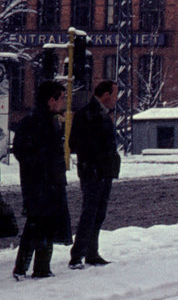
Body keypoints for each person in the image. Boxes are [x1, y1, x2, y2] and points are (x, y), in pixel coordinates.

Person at [12, 81, 71, 280]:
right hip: (41, 183)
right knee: (41, 224)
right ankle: (39, 268)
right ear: (51, 100)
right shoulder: (36, 123)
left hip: (45, 182)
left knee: (38, 223)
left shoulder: (48, 121)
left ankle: (26, 267)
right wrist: (43, 168)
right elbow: (23, 152)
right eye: (61, 98)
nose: (63, 102)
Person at [69, 79, 121, 269]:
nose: (116, 98)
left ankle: (91, 252)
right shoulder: (87, 114)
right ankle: (77, 255)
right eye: (115, 94)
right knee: (89, 213)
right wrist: (97, 158)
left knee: (99, 213)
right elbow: (74, 143)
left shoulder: (103, 114)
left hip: (104, 171)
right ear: (106, 95)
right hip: (93, 171)